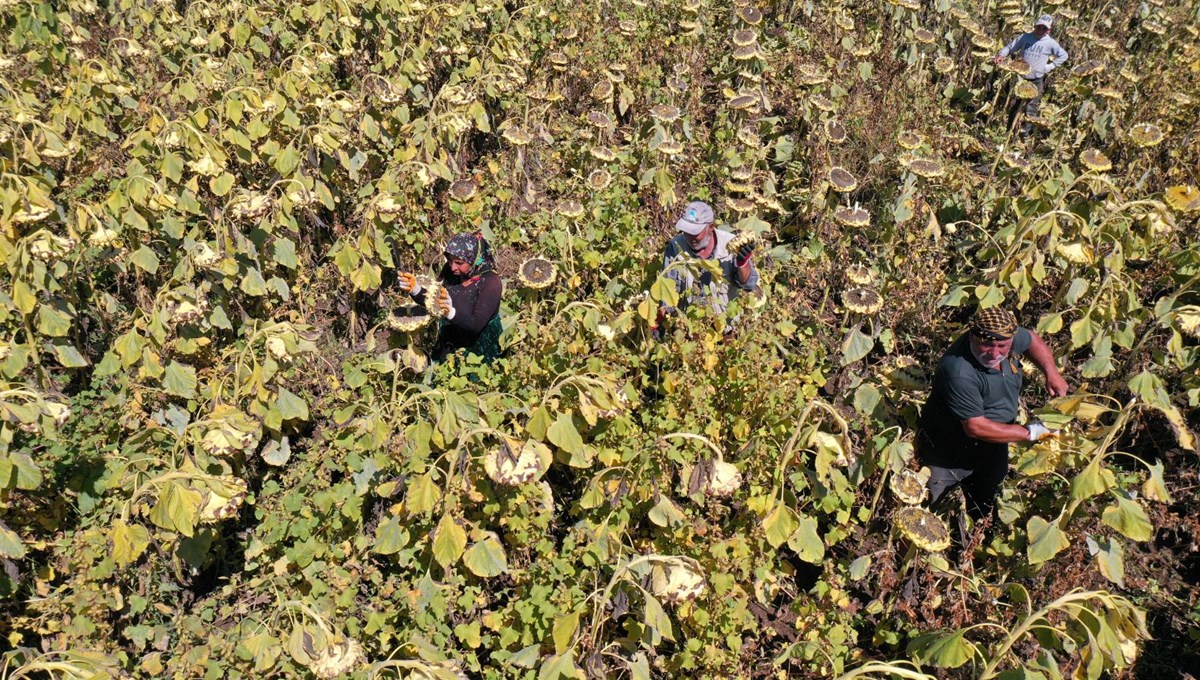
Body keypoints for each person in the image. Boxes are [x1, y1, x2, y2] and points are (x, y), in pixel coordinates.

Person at [917, 307, 1069, 521]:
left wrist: (1051, 373)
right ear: (972, 335)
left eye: (1002, 346)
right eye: (986, 345)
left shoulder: (1004, 336)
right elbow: (976, 427)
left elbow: (1033, 340)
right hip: (946, 454)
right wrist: (1033, 432)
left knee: (984, 509)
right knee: (924, 514)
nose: (995, 353)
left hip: (992, 448)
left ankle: (974, 543)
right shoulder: (959, 372)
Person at [656, 200, 758, 335]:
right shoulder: (675, 247)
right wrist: (657, 321)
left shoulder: (731, 245)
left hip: (726, 328)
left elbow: (749, 285)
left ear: (711, 227)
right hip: (690, 327)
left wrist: (742, 263)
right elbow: (668, 290)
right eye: (686, 231)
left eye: (695, 232)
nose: (690, 237)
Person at [398, 232, 503, 363]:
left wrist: (450, 312)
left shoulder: (490, 282)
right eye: (450, 261)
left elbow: (476, 325)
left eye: (459, 262)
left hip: (479, 350)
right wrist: (415, 290)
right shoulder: (450, 272)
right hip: (450, 343)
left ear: (474, 259)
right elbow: (435, 302)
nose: (453, 267)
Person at [994, 15, 1068, 135]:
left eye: (1044, 29)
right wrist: (1002, 55)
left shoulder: (1050, 43)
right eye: (1038, 27)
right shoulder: (1025, 37)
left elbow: (1064, 56)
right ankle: (1009, 132)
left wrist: (1049, 67)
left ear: (1048, 30)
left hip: (1036, 79)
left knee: (1031, 107)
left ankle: (1025, 134)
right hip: (1020, 78)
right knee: (1015, 104)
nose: (1040, 30)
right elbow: (1011, 47)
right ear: (1035, 26)